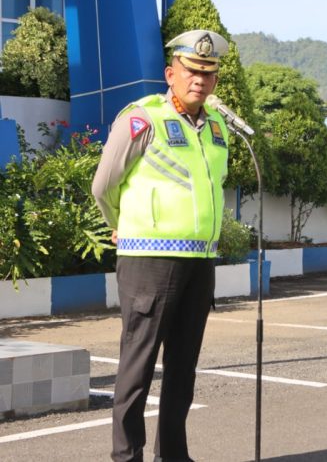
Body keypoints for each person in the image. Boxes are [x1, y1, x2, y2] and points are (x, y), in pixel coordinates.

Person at [92, 29, 230, 462]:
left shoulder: (219, 126)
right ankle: (127, 455)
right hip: (149, 258)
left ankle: (174, 455)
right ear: (171, 73)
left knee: (183, 368)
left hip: (200, 259)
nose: (199, 81)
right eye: (191, 72)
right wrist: (122, 225)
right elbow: (104, 185)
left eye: (208, 75)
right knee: (138, 364)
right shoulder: (142, 118)